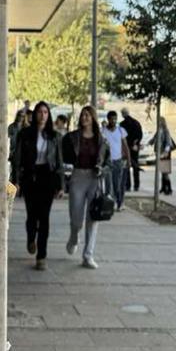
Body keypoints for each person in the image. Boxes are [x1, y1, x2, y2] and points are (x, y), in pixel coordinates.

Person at [12, 101, 63, 270]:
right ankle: (30, 237)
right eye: (40, 112)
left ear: (49, 115)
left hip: (47, 178)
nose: (42, 115)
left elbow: (59, 162)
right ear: (35, 115)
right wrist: (16, 181)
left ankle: (42, 256)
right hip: (30, 178)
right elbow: (17, 158)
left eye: (45, 112)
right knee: (32, 216)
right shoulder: (25, 134)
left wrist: (60, 184)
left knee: (45, 218)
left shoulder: (54, 136)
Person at [61, 106, 111, 269]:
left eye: (88, 115)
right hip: (77, 177)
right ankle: (74, 236)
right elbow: (64, 154)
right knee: (76, 218)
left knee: (93, 218)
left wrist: (101, 169)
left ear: (93, 118)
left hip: (94, 179)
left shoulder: (101, 140)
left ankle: (88, 255)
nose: (84, 118)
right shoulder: (73, 137)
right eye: (83, 115)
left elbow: (108, 163)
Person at [100, 110, 131, 211]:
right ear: (108, 119)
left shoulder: (121, 131)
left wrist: (129, 160)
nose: (114, 121)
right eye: (112, 119)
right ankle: (111, 203)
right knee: (108, 185)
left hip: (118, 161)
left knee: (117, 184)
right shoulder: (103, 131)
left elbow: (125, 146)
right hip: (107, 162)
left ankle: (120, 202)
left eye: (115, 119)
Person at [120, 108, 143, 190]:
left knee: (127, 166)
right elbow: (140, 134)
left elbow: (121, 137)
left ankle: (128, 185)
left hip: (127, 147)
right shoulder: (136, 122)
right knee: (135, 166)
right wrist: (136, 143)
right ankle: (136, 185)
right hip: (134, 147)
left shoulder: (122, 124)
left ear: (122, 114)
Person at [154, 117, 176, 195]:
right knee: (162, 172)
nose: (157, 123)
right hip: (160, 153)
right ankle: (163, 188)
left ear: (162, 122)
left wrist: (165, 152)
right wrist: (147, 144)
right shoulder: (159, 130)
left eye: (159, 121)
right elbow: (154, 138)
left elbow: (168, 142)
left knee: (165, 172)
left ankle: (169, 189)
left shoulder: (165, 131)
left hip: (165, 154)